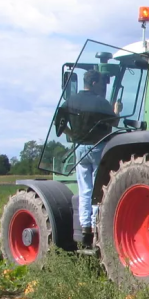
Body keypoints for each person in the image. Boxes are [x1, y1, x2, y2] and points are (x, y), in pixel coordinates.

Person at [59, 69, 121, 245]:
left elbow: (59, 125)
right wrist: (117, 110)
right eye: (101, 84)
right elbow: (114, 123)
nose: (102, 87)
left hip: (79, 148)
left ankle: (85, 226)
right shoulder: (101, 102)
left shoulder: (71, 101)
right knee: (97, 189)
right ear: (93, 83)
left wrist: (74, 136)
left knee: (84, 188)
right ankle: (95, 225)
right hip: (98, 148)